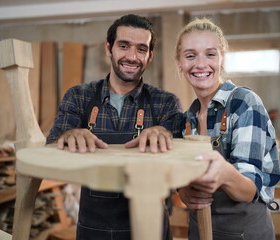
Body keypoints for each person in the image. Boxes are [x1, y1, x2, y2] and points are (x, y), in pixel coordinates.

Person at [47, 14, 183, 240]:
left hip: (150, 227)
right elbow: (51, 147)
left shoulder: (166, 102)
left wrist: (166, 134)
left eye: (141, 49)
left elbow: (181, 161)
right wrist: (69, 134)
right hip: (93, 226)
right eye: (124, 46)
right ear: (109, 48)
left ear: (150, 56)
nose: (132, 56)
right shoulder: (79, 96)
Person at [175, 18, 280, 239]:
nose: (201, 64)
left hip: (244, 232)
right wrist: (183, 191)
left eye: (210, 54)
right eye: (190, 55)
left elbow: (248, 190)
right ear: (179, 63)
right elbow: (179, 174)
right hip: (199, 231)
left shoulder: (244, 103)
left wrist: (224, 174)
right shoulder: (187, 118)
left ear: (222, 58)